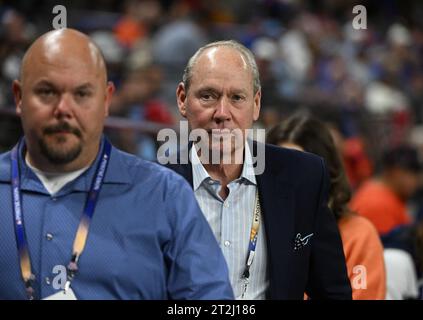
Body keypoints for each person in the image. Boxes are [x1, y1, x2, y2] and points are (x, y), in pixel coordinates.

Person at [0, 28, 234, 300]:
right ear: (18, 97)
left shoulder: (164, 195)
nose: (63, 109)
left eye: (82, 94)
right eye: (47, 92)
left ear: (106, 100)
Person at [165, 40, 352, 299]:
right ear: (183, 99)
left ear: (256, 103)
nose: (222, 113)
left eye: (237, 98)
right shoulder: (152, 187)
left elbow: (333, 293)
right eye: (208, 96)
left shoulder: (303, 177)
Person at [267, 113, 386, 300]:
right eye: (281, 171)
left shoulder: (358, 234)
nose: (290, 183)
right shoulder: (256, 229)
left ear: (327, 173)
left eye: (299, 171)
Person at [350, 145, 421, 235]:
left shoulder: (386, 193)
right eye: (411, 174)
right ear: (396, 171)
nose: (416, 181)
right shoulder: (377, 203)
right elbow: (388, 246)